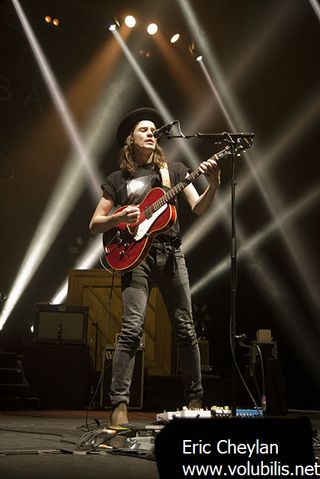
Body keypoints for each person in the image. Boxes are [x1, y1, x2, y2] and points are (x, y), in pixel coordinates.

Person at [89, 107, 220, 426]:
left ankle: (194, 398)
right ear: (129, 140)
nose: (151, 133)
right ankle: (119, 404)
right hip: (136, 259)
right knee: (132, 329)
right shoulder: (117, 180)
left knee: (186, 329)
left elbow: (198, 207)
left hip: (171, 255)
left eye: (153, 129)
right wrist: (118, 217)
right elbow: (95, 223)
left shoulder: (173, 170)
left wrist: (213, 183)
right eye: (143, 129)